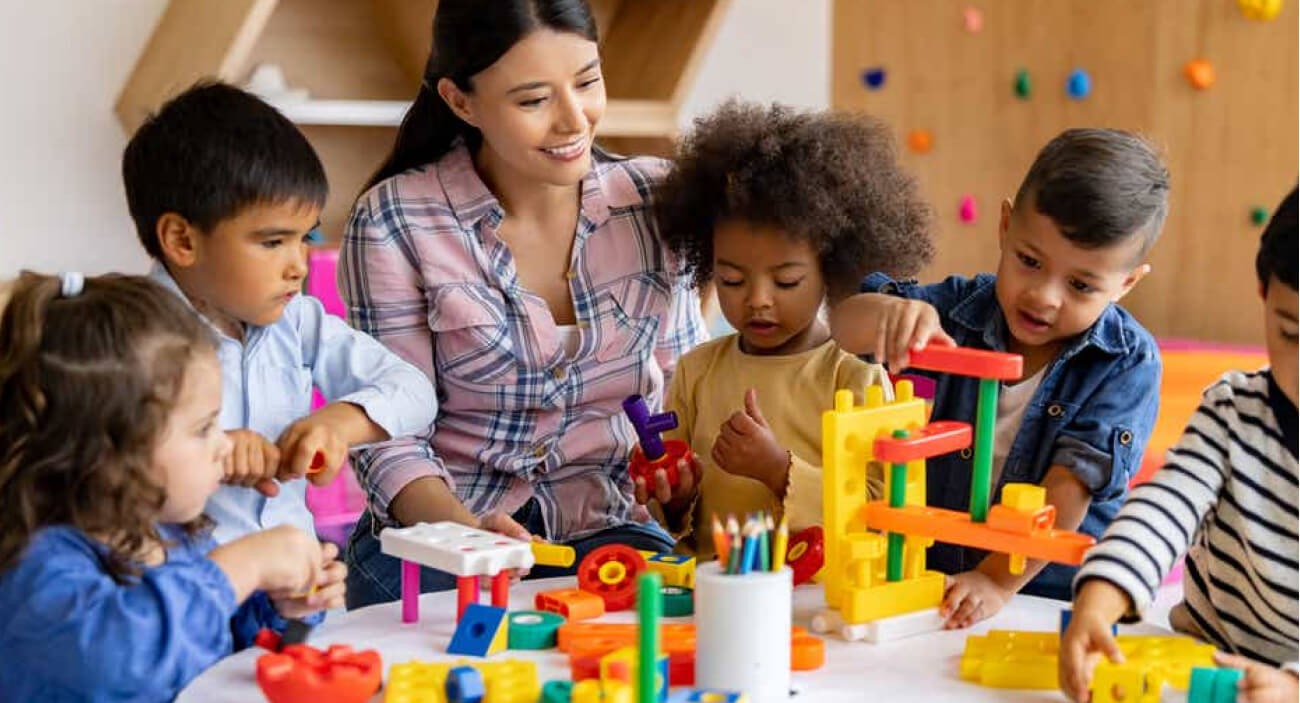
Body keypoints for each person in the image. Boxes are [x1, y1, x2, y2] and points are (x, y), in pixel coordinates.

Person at [338, 0, 706, 608]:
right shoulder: (395, 218)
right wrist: (463, 532)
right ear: (460, 101)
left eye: (587, 82)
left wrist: (676, 478)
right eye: (533, 100)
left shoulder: (656, 201)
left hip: (607, 528)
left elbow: (681, 392)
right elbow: (386, 433)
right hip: (442, 534)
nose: (573, 120)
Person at [832, 128, 1169, 625]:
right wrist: (888, 314)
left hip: (1043, 590)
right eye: (1029, 261)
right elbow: (842, 329)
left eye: (1081, 285)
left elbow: (1070, 488)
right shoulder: (957, 309)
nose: (1044, 296)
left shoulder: (1126, 363)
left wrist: (996, 578)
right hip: (933, 572)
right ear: (1006, 227)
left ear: (1126, 283)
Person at [0, 272, 344, 701]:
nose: (225, 445)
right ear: (108, 452)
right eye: (203, 428)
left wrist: (281, 607)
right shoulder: (35, 567)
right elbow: (122, 659)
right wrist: (242, 567)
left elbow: (222, 655)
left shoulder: (173, 538)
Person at [121, 81, 436, 544]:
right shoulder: (125, 338)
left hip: (295, 588)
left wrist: (336, 424)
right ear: (183, 241)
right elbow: (97, 470)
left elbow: (415, 392)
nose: (298, 265)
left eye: (304, 238)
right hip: (186, 597)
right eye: (272, 242)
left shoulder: (298, 321)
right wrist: (214, 449)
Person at [640, 100, 929, 558]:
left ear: (831, 270)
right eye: (732, 279)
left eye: (786, 281)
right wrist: (674, 497)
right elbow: (677, 517)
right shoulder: (696, 372)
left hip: (819, 596)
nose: (757, 299)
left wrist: (778, 470)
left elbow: (882, 511)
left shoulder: (854, 378)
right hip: (714, 590)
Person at [1060, 187, 1298, 703]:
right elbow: (1166, 505)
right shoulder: (1234, 412)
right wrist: (1100, 600)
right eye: (1292, 333)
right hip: (1199, 660)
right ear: (1263, 293)